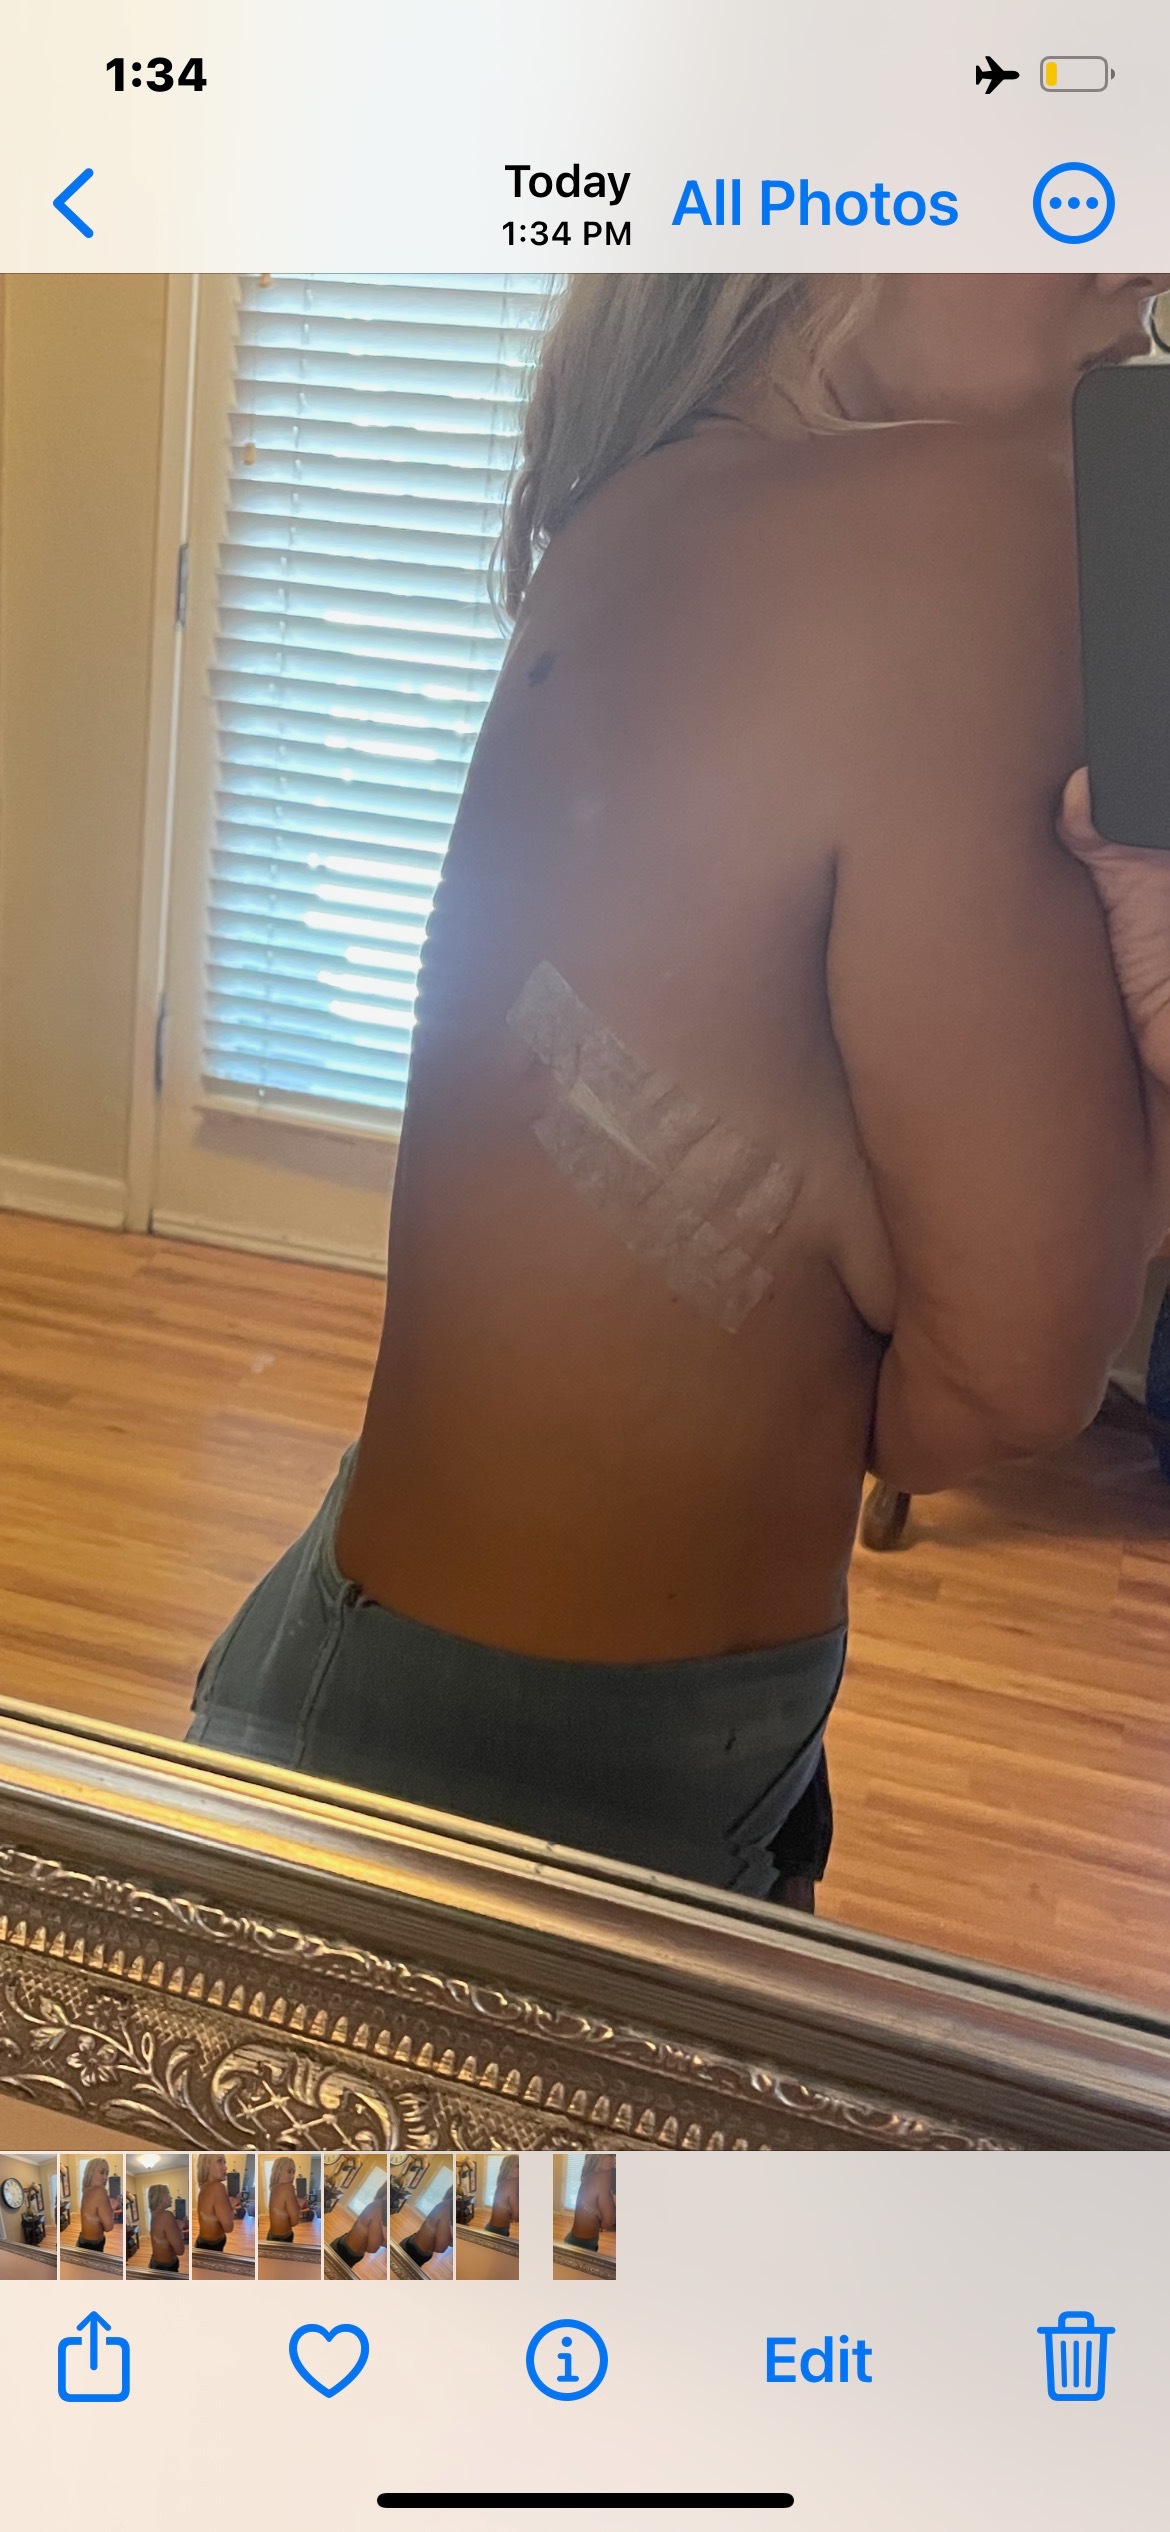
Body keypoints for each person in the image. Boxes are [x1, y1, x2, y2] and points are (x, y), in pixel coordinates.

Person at [189, 273, 1170, 1910]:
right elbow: (1002, 1388)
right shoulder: (983, 521)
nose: (1136, 252)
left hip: (388, 1668)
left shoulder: (639, 496)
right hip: (539, 1795)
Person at [564, 2153, 616, 2252]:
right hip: (582, 2244)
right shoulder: (605, 2175)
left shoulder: (589, 2173)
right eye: (611, 2155)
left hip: (576, 2239)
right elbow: (608, 2223)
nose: (614, 2160)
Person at [332, 2181, 387, 2271]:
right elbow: (372, 2249)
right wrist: (384, 2241)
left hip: (346, 2248)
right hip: (344, 2252)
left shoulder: (378, 2204)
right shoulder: (381, 2209)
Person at [401, 2182, 454, 2272]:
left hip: (415, 2247)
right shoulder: (449, 2209)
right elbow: (440, 2248)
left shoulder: (445, 2204)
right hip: (413, 2251)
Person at [194, 2153, 235, 2254]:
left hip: (202, 2242)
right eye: (219, 2161)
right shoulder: (218, 2187)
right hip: (211, 2247)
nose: (225, 2167)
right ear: (207, 2164)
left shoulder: (204, 2188)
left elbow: (214, 2216)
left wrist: (230, 2205)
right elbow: (228, 2228)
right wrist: (232, 2207)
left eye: (224, 2162)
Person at [76, 2158, 115, 2253]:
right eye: (101, 2172)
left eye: (107, 2173)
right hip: (93, 2246)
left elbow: (94, 2216)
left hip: (82, 2241)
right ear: (90, 2173)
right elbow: (109, 2227)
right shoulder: (100, 2192)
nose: (105, 2177)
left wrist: (110, 2207)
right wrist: (111, 2209)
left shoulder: (86, 2190)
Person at [147, 2182, 185, 2275]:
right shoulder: (166, 2215)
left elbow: (164, 2238)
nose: (171, 2198)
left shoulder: (154, 2215)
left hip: (155, 2264)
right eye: (168, 2194)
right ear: (161, 2197)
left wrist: (176, 2227)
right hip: (167, 2268)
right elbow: (180, 2251)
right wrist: (179, 2229)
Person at [266, 2157, 306, 2243]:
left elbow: (283, 2215)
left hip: (271, 2235)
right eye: (289, 2171)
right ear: (278, 2171)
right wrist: (299, 2206)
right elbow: (294, 2222)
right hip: (283, 2239)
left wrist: (298, 2205)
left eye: (293, 2172)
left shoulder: (274, 2188)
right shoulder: (288, 2187)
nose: (292, 2176)